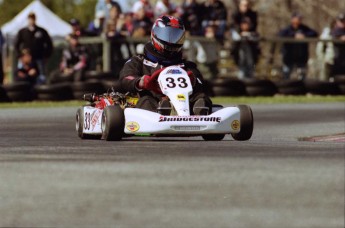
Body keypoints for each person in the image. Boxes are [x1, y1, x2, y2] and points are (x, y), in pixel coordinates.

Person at [120, 15, 212, 115]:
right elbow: (125, 78)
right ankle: (161, 112)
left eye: (176, 35)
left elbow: (201, 83)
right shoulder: (139, 61)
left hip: (184, 103)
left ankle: (201, 113)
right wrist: (140, 82)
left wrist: (194, 81)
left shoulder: (185, 65)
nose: (171, 40)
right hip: (153, 101)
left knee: (201, 97)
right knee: (146, 100)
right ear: (155, 34)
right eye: (167, 34)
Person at [15, 12, 53, 84]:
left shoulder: (41, 31)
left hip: (39, 58)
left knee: (41, 76)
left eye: (33, 18)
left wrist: (46, 56)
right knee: (21, 75)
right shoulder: (23, 31)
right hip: (25, 60)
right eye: (30, 18)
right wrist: (19, 56)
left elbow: (49, 44)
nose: (31, 20)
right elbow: (16, 44)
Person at [278, 13, 318, 80]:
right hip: (289, 56)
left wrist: (304, 36)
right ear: (292, 19)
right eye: (297, 19)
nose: (298, 20)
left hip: (301, 56)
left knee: (302, 74)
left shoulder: (304, 29)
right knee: (286, 74)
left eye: (299, 19)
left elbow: (314, 33)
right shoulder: (288, 29)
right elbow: (280, 35)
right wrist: (294, 36)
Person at [331, 12, 345, 76]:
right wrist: (340, 37)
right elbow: (335, 34)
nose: (343, 22)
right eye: (341, 21)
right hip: (337, 59)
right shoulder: (335, 29)